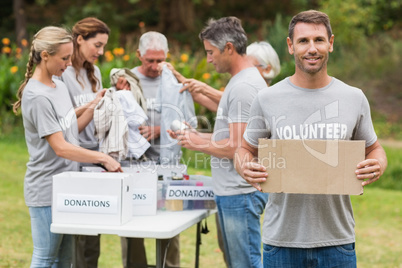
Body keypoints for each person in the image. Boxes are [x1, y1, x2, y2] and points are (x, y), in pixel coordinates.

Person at [234, 10, 387, 268]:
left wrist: (378, 164)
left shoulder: (353, 97)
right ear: (291, 46)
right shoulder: (268, 99)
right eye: (303, 41)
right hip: (281, 242)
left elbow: (375, 149)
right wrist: (244, 166)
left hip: (337, 241)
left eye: (319, 40)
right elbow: (244, 150)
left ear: (331, 43)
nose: (312, 48)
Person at [12, 26, 122, 268]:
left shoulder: (58, 85)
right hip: (46, 189)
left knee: (66, 259)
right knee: (45, 257)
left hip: (67, 185)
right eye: (64, 59)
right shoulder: (38, 95)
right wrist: (102, 157)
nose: (68, 64)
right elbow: (61, 147)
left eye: (70, 57)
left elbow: (71, 130)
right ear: (45, 56)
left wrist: (94, 104)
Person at [168, 17, 269, 268]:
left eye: (210, 52)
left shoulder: (244, 87)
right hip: (232, 192)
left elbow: (237, 148)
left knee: (244, 263)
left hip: (240, 192)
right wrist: (194, 136)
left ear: (229, 48)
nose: (209, 59)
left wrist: (196, 144)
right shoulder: (239, 81)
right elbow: (230, 137)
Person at [115, 31, 181, 268]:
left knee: (170, 226)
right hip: (133, 166)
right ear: (138, 55)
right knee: (131, 226)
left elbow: (185, 120)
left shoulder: (172, 79)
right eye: (149, 60)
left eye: (160, 60)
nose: (155, 66)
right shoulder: (127, 81)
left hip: (167, 164)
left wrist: (159, 130)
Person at [59, 17, 110, 268]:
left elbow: (96, 116)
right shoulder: (62, 73)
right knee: (77, 231)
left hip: (96, 156)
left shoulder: (95, 72)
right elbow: (69, 130)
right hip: (74, 156)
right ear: (80, 39)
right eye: (97, 45)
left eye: (103, 47)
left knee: (94, 231)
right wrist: (93, 105)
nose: (100, 52)